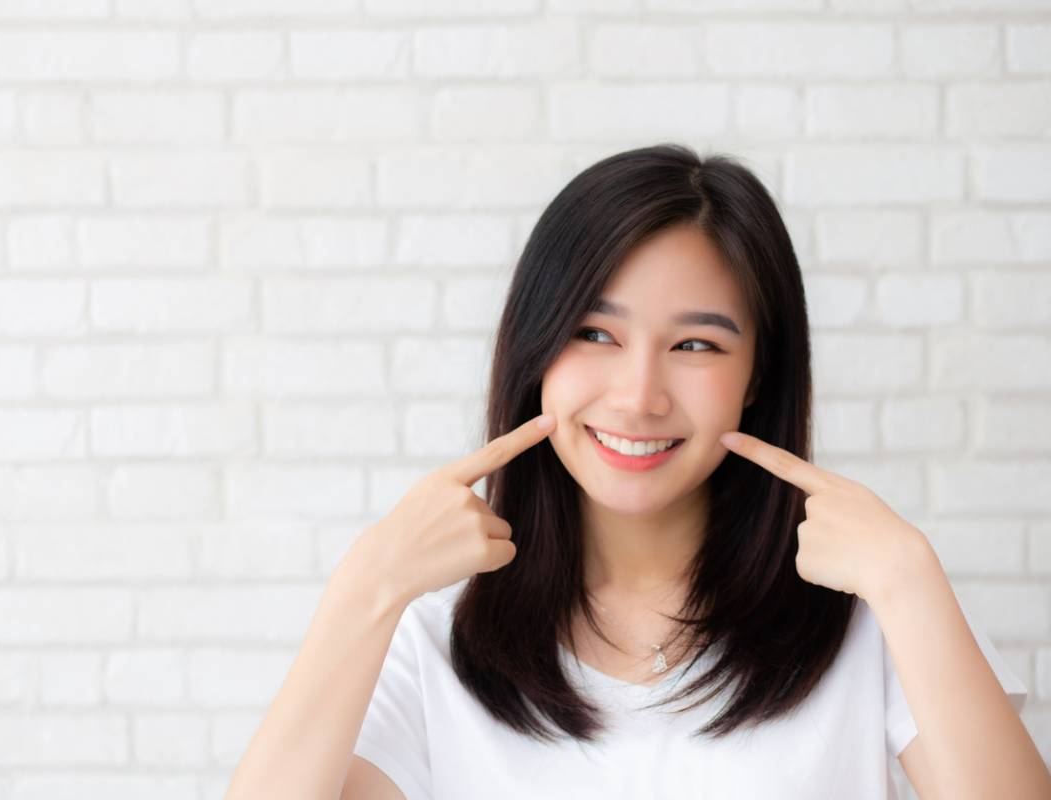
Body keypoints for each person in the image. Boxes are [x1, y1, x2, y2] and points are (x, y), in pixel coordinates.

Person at [222, 144, 1045, 799]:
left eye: (696, 346)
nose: (639, 396)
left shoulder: (867, 615)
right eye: (595, 334)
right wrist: (366, 585)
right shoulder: (435, 639)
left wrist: (908, 577)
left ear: (758, 376)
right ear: (536, 350)